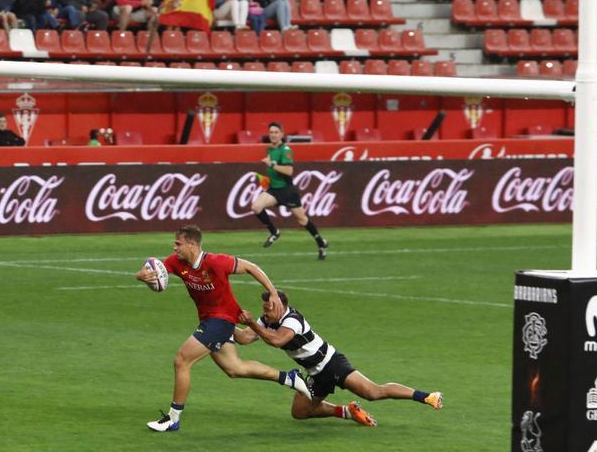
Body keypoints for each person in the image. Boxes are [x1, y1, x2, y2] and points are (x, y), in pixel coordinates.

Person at [135, 225, 312, 432]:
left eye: (178, 243)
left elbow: (251, 267)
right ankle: (289, 378)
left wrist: (272, 292)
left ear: (191, 244)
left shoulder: (216, 262)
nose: (174, 248)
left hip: (222, 320)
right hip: (208, 320)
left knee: (182, 360)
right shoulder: (176, 262)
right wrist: (142, 276)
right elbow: (153, 269)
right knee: (234, 369)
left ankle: (173, 419)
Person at [234, 289, 443, 425]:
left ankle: (427, 396)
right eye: (264, 307)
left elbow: (277, 340)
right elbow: (244, 338)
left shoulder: (293, 320)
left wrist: (252, 323)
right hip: (315, 373)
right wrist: (221, 323)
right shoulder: (266, 320)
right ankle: (347, 412)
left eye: (269, 307)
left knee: (373, 392)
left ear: (280, 306)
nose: (265, 311)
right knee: (300, 412)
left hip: (331, 364)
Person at [251, 122, 329, 259]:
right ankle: (274, 232)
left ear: (281, 134)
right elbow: (273, 170)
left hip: (287, 191)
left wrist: (272, 165)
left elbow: (289, 170)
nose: (273, 135)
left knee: (302, 220)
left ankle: (321, 243)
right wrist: (267, 179)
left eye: (276, 132)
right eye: (271, 132)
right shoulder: (270, 149)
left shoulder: (286, 150)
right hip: (274, 190)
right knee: (256, 207)